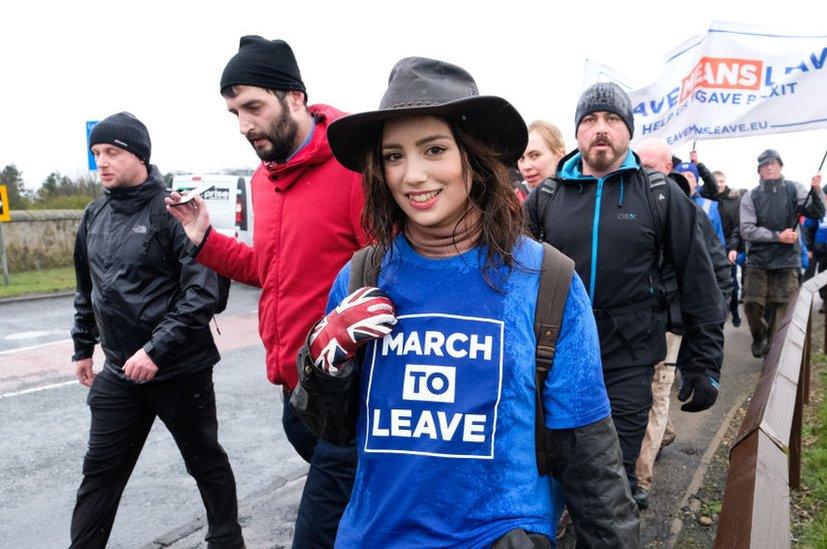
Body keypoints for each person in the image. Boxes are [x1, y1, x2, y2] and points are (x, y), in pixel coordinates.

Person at [310, 56, 637, 547]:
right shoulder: (362, 275)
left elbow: (589, 457)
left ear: (475, 157)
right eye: (394, 156)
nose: (413, 175)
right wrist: (322, 364)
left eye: (434, 149)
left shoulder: (547, 281)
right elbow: (329, 430)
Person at [165, 35, 366, 547]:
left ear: (295, 97)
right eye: (234, 112)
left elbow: (393, 275)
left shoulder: (354, 165)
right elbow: (270, 270)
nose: (244, 125)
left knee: (319, 533)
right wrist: (204, 239)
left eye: (253, 107)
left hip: (350, 396)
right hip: (292, 394)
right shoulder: (264, 177)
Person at [525, 83, 726, 501]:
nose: (601, 129)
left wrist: (703, 361)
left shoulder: (659, 193)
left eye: (612, 119)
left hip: (630, 356)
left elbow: (698, 278)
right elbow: (512, 275)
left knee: (614, 479)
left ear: (628, 131)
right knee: (555, 468)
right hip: (555, 357)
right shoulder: (546, 196)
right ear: (577, 132)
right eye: (590, 120)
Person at [70, 113, 243, 549]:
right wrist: (82, 347)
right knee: (100, 473)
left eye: (112, 152)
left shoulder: (172, 211)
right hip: (120, 372)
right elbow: (88, 287)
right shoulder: (94, 215)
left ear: (140, 156)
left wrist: (156, 351)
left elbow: (203, 292)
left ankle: (227, 541)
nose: (102, 163)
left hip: (178, 368)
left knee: (205, 461)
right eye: (96, 154)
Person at [627, 137, 730, 507]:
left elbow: (713, 274)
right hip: (631, 325)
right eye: (639, 164)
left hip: (670, 324)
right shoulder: (625, 204)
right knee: (650, 396)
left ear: (668, 168)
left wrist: (705, 348)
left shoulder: (687, 211)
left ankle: (639, 481)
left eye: (652, 166)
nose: (644, 172)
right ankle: (663, 433)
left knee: (655, 393)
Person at [740, 149, 825, 358]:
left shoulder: (794, 189)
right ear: (759, 170)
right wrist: (777, 236)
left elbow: (817, 211)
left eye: (773, 163)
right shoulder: (751, 196)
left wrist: (817, 191)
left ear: (780, 166)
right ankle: (759, 336)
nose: (769, 167)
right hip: (758, 261)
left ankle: (772, 355)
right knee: (752, 304)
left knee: (780, 308)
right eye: (765, 165)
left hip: (787, 261)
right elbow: (746, 230)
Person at [713, 170, 744, 326]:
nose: (719, 184)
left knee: (732, 284)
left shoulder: (734, 200)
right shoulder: (708, 198)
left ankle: (735, 311)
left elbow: (737, 227)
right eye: (716, 181)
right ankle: (721, 316)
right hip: (712, 248)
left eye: (721, 181)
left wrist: (733, 247)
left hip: (728, 248)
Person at [515, 120, 565, 201]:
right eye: (521, 158)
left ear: (559, 157)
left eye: (535, 155)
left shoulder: (581, 196)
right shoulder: (510, 204)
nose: (526, 166)